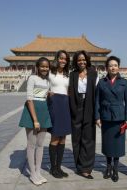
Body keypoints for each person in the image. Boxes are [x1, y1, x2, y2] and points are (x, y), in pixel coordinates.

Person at [95, 56, 127, 182]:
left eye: (115, 65)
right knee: (107, 144)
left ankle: (115, 169)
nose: (113, 67)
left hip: (119, 118)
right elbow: (97, 102)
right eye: (110, 65)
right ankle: (108, 167)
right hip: (105, 117)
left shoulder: (124, 82)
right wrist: (97, 117)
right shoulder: (101, 82)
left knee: (117, 145)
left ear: (118, 67)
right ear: (107, 68)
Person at [18, 57, 52, 186]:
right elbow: (29, 99)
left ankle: (38, 171)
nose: (44, 68)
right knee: (31, 144)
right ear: (37, 67)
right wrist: (35, 120)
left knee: (40, 144)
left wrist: (50, 93)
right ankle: (32, 173)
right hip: (32, 112)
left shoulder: (47, 81)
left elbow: (43, 94)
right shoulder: (32, 78)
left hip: (44, 110)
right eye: (42, 66)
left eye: (47, 66)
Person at [69, 50, 98, 179]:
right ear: (76, 61)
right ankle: (79, 166)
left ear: (87, 60)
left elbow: (97, 93)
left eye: (84, 59)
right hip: (76, 105)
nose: (82, 62)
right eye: (79, 60)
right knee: (76, 137)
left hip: (89, 105)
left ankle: (87, 167)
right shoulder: (73, 74)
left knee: (89, 137)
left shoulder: (93, 73)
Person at [47, 50, 71, 178]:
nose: (63, 61)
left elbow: (69, 90)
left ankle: (59, 167)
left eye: (65, 59)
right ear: (57, 59)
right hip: (54, 104)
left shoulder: (68, 74)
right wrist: (47, 92)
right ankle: (53, 168)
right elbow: (43, 86)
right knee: (55, 136)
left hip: (65, 104)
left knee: (63, 138)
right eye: (61, 58)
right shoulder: (50, 73)